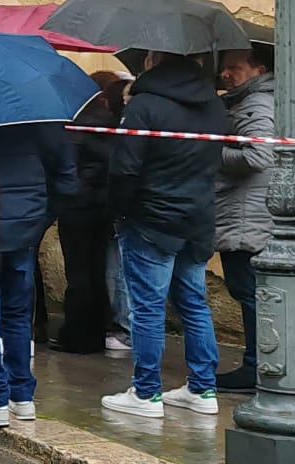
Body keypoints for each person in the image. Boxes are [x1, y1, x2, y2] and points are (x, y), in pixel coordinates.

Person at [100, 52, 228, 419]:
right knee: (194, 303)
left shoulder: (144, 105)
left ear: (154, 61)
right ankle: (203, 389)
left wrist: (118, 211)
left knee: (147, 309)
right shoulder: (213, 104)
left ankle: (145, 393)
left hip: (151, 220)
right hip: (198, 218)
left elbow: (125, 168)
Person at [0, 120, 78, 426]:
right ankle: (22, 397)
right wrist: (43, 216)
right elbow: (66, 172)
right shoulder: (43, 117)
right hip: (26, 223)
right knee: (17, 313)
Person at [214, 48, 276, 392]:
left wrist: (211, 151)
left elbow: (258, 155)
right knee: (250, 290)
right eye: (224, 68)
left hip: (246, 213)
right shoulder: (248, 101)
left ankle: (257, 368)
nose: (225, 74)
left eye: (233, 68)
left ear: (258, 69)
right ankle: (260, 365)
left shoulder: (257, 104)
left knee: (250, 290)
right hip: (245, 210)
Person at [52, 73, 126, 354]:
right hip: (103, 205)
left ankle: (78, 333)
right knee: (97, 269)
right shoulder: (111, 125)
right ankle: (98, 328)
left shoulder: (75, 125)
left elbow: (67, 167)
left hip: (77, 206)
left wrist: (64, 196)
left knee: (79, 271)